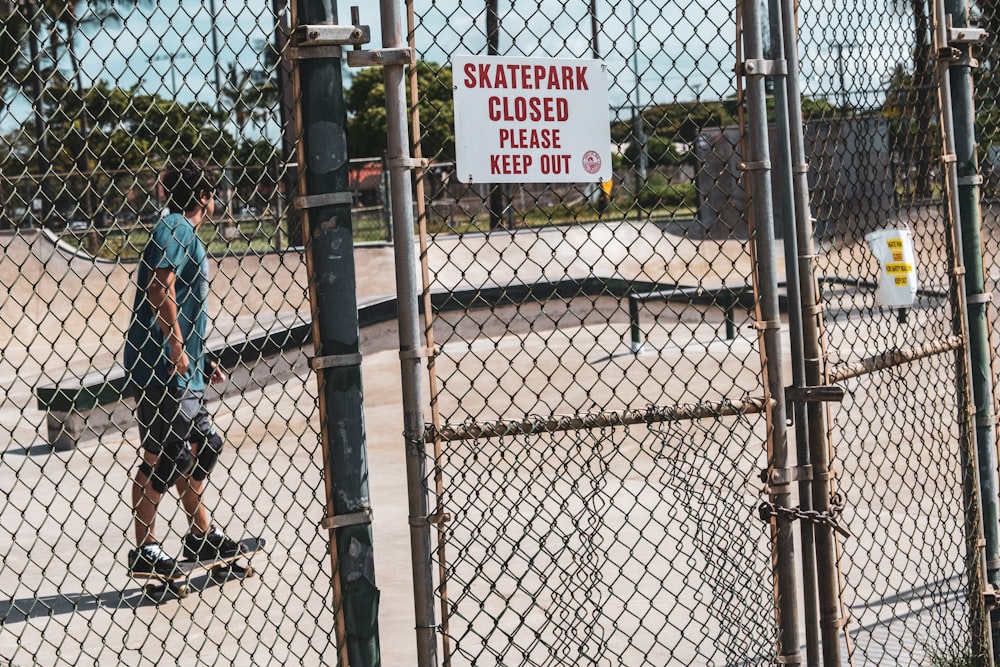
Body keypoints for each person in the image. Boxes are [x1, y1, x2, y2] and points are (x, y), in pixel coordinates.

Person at [123, 157, 240, 576]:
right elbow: (159, 286)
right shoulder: (174, 227)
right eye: (216, 195)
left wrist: (199, 356)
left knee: (203, 446)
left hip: (182, 367)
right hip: (160, 367)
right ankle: (145, 549)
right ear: (205, 197)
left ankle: (199, 539)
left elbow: (181, 302)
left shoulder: (186, 234)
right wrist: (176, 346)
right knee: (166, 457)